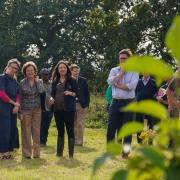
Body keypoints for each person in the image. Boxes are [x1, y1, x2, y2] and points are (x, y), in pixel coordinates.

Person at [107, 48, 139, 159]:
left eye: (125, 59)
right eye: (121, 59)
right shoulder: (114, 70)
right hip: (115, 103)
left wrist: (117, 84)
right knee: (111, 129)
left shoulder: (135, 71)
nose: (122, 60)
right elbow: (110, 82)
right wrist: (120, 74)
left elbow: (131, 87)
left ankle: (125, 153)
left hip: (129, 103)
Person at [49, 60, 77, 158]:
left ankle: (71, 154)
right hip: (58, 110)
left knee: (70, 131)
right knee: (60, 131)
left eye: (64, 67)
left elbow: (77, 94)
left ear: (67, 69)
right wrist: (52, 98)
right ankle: (59, 153)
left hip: (69, 110)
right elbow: (52, 94)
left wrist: (70, 93)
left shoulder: (72, 80)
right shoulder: (54, 81)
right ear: (57, 69)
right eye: (60, 67)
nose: (62, 69)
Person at [19, 61, 44, 159]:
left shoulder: (39, 81)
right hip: (25, 110)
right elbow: (19, 98)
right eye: (28, 70)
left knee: (36, 131)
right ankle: (27, 154)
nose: (30, 72)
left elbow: (41, 91)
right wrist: (19, 112)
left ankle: (37, 154)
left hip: (37, 110)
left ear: (35, 71)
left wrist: (37, 82)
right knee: (26, 132)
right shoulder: (22, 82)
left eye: (32, 70)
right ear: (25, 72)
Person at [0, 59, 21, 160]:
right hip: (3, 107)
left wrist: (17, 106)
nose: (14, 70)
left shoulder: (15, 81)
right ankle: (3, 153)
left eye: (16, 69)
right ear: (7, 67)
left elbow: (18, 94)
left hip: (13, 109)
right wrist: (15, 104)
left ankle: (8, 152)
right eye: (12, 67)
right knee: (5, 129)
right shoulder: (2, 78)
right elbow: (2, 94)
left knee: (12, 129)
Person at [70, 64, 90, 146]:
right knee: (72, 124)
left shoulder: (83, 80)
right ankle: (73, 140)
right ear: (71, 71)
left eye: (77, 71)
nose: (76, 72)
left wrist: (87, 104)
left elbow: (87, 93)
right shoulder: (68, 80)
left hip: (81, 105)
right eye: (75, 71)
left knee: (80, 124)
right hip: (71, 105)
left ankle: (79, 142)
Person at [135, 74, 158, 144]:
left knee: (151, 124)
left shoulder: (153, 82)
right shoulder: (137, 82)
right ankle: (140, 141)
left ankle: (150, 142)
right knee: (139, 123)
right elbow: (134, 92)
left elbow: (157, 93)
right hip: (139, 106)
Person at [39, 68, 53, 146]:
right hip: (41, 107)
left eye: (46, 74)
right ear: (40, 75)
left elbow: (54, 94)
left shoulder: (52, 84)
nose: (45, 76)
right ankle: (39, 140)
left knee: (47, 125)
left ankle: (44, 141)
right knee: (40, 125)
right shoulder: (39, 83)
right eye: (43, 74)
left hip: (50, 108)